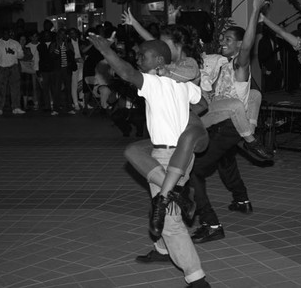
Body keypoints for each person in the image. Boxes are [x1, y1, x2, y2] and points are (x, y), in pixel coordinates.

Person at [87, 34, 211, 288]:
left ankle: (196, 278)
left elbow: (126, 72)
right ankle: (164, 250)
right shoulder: (182, 85)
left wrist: (106, 51)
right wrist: (183, 116)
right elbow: (204, 103)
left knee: (170, 221)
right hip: (182, 155)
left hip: (167, 156)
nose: (138, 58)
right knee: (160, 200)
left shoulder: (155, 82)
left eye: (143, 55)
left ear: (158, 60)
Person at [120, 11, 209, 237]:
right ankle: (179, 203)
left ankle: (183, 208)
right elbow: (152, 45)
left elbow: (192, 82)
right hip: (171, 130)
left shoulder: (186, 62)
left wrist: (182, 113)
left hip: (192, 123)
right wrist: (135, 24)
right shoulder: (164, 63)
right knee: (135, 151)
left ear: (176, 46)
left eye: (165, 42)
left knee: (186, 158)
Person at [200, 0, 273, 161]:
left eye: (228, 39)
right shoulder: (223, 63)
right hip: (210, 114)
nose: (222, 42)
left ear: (239, 44)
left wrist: (255, 11)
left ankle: (250, 138)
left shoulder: (239, 65)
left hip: (230, 110)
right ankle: (246, 133)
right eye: (222, 38)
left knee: (249, 97)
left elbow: (247, 48)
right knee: (251, 96)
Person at [0, 28, 25, 115]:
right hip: (2, 68)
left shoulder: (15, 43)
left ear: (10, 34)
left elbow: (21, 56)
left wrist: (14, 53)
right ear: (2, 34)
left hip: (13, 67)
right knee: (1, 89)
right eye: (4, 33)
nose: (6, 35)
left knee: (15, 89)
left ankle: (16, 107)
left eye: (7, 33)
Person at [49, 28, 77, 115]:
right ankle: (56, 109)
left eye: (64, 34)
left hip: (67, 69)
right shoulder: (53, 44)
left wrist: (66, 45)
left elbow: (72, 55)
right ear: (58, 35)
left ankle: (69, 108)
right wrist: (57, 46)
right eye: (61, 34)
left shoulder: (68, 44)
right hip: (57, 70)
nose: (63, 36)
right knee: (57, 89)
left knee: (68, 89)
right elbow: (51, 57)